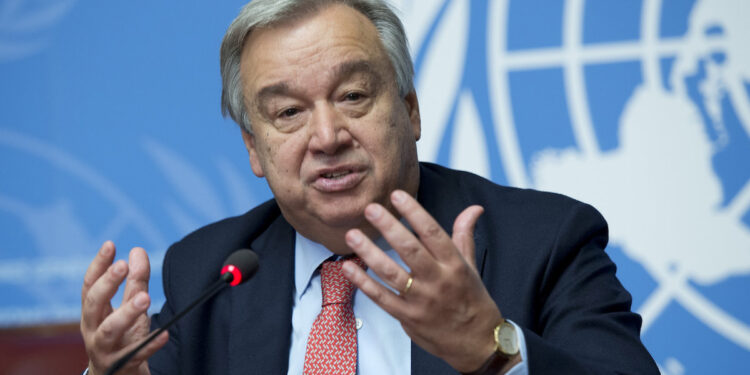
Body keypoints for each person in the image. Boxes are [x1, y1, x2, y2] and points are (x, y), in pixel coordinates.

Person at [80, 0, 659, 374]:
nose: (327, 136)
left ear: (409, 111)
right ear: (254, 148)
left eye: (354, 96)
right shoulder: (209, 271)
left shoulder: (544, 242)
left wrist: (493, 351)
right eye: (288, 113)